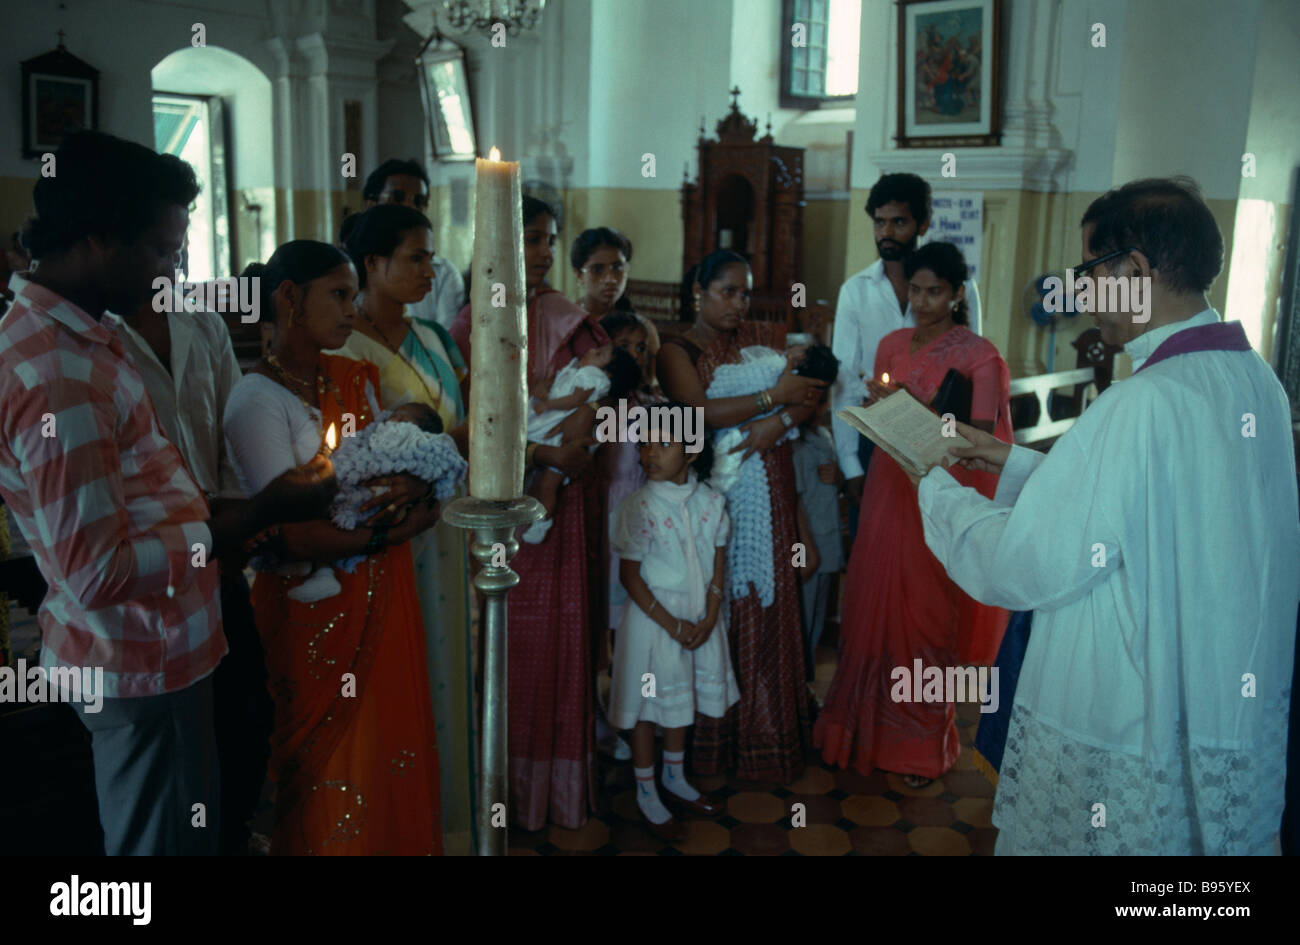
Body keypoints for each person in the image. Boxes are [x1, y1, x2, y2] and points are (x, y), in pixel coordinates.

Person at [918, 178, 1300, 854]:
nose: (1083, 292)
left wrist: (932, 486)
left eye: (1090, 272)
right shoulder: (1255, 381)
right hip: (1216, 692)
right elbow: (1154, 517)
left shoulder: (1140, 403)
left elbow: (1028, 563)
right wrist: (1009, 462)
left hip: (1129, 706)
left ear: (1137, 271)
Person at [0, 130, 333, 856]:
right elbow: (95, 570)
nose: (172, 266)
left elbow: (147, 487)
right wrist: (248, 518)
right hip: (137, 655)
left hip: (168, 640)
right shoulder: (59, 372)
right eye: (158, 249)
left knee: (191, 826)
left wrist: (223, 511)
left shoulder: (87, 334)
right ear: (96, 239)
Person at [223, 239, 445, 855]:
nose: (352, 309)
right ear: (290, 299)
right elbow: (290, 529)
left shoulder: (352, 377)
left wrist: (411, 485)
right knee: (326, 768)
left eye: (352, 294)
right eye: (339, 295)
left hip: (381, 588)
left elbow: (381, 464)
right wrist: (392, 529)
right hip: (310, 610)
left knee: (386, 743)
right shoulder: (255, 401)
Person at [815, 241, 1011, 788]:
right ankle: (857, 731)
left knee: (925, 615)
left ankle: (920, 746)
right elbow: (878, 405)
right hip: (887, 487)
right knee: (868, 604)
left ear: (956, 293)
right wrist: (884, 411)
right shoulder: (891, 344)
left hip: (939, 493)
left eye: (935, 292)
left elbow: (986, 439)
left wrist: (919, 413)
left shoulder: (979, 355)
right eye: (916, 290)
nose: (922, 302)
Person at [451, 195, 610, 829]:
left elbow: (602, 396)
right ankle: (498, 786)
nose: (544, 252)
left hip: (562, 503)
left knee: (563, 631)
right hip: (497, 501)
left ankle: (554, 789)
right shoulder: (468, 323)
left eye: (549, 240)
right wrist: (541, 450)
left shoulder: (570, 318)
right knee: (504, 633)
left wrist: (573, 449)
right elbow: (467, 421)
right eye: (531, 240)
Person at [112, 274, 273, 856]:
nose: (172, 260)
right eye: (161, 241)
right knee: (168, 762)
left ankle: (232, 835)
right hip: (148, 566)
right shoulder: (95, 338)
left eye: (180, 243)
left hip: (220, 551)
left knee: (246, 717)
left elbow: (233, 431)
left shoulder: (200, 323)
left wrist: (234, 523)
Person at [334, 202, 477, 852]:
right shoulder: (343, 346)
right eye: (415, 256)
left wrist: (443, 448)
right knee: (395, 671)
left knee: (449, 663)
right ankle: (392, 824)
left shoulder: (438, 338)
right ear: (373, 263)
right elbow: (349, 455)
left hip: (447, 528)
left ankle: (444, 819)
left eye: (430, 255)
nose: (430, 268)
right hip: (386, 535)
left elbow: (479, 418)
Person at [657, 250, 826, 783]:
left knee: (770, 606)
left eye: (745, 292)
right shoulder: (675, 349)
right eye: (727, 291)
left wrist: (781, 421)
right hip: (709, 498)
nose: (738, 303)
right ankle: (713, 748)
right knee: (718, 607)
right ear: (698, 293)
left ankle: (769, 737)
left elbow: (811, 392)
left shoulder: (760, 335)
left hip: (771, 487)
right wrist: (775, 399)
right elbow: (697, 413)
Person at [831, 173, 984, 539]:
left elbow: (970, 369)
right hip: (876, 438)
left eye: (899, 222)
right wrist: (851, 465)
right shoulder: (856, 292)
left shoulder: (958, 289)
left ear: (923, 224)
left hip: (938, 439)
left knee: (934, 549)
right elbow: (845, 383)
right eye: (880, 222)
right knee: (876, 547)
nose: (887, 232)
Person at [610, 422, 739, 840]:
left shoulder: (712, 502)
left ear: (691, 451)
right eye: (646, 443)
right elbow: (630, 577)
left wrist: (710, 614)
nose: (651, 452)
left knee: (680, 699)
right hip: (653, 623)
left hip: (699, 618)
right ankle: (646, 790)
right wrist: (674, 625)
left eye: (664, 444)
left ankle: (674, 777)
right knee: (647, 708)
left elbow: (718, 562)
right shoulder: (639, 505)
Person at [523, 343, 639, 543]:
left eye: (599, 353)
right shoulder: (577, 369)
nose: (591, 350)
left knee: (548, 485)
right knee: (539, 481)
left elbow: (575, 400)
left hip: (561, 437)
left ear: (607, 373)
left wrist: (548, 404)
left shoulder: (593, 376)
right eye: (597, 349)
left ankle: (542, 521)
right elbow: (558, 387)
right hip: (550, 427)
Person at [361, 159, 464, 330]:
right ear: (371, 204)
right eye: (397, 198)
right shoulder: (347, 274)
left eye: (418, 201)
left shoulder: (443, 274)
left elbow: (444, 340)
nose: (409, 207)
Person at [790, 369, 844, 685]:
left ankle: (807, 686)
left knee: (816, 620)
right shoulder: (792, 444)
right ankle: (797, 688)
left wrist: (837, 478)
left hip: (828, 541)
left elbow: (830, 486)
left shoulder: (823, 437)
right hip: (805, 543)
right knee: (800, 616)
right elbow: (793, 500)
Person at [572, 226, 634, 318]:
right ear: (579, 275)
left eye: (617, 267)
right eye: (597, 269)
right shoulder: (568, 322)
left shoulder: (638, 327)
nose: (610, 279)